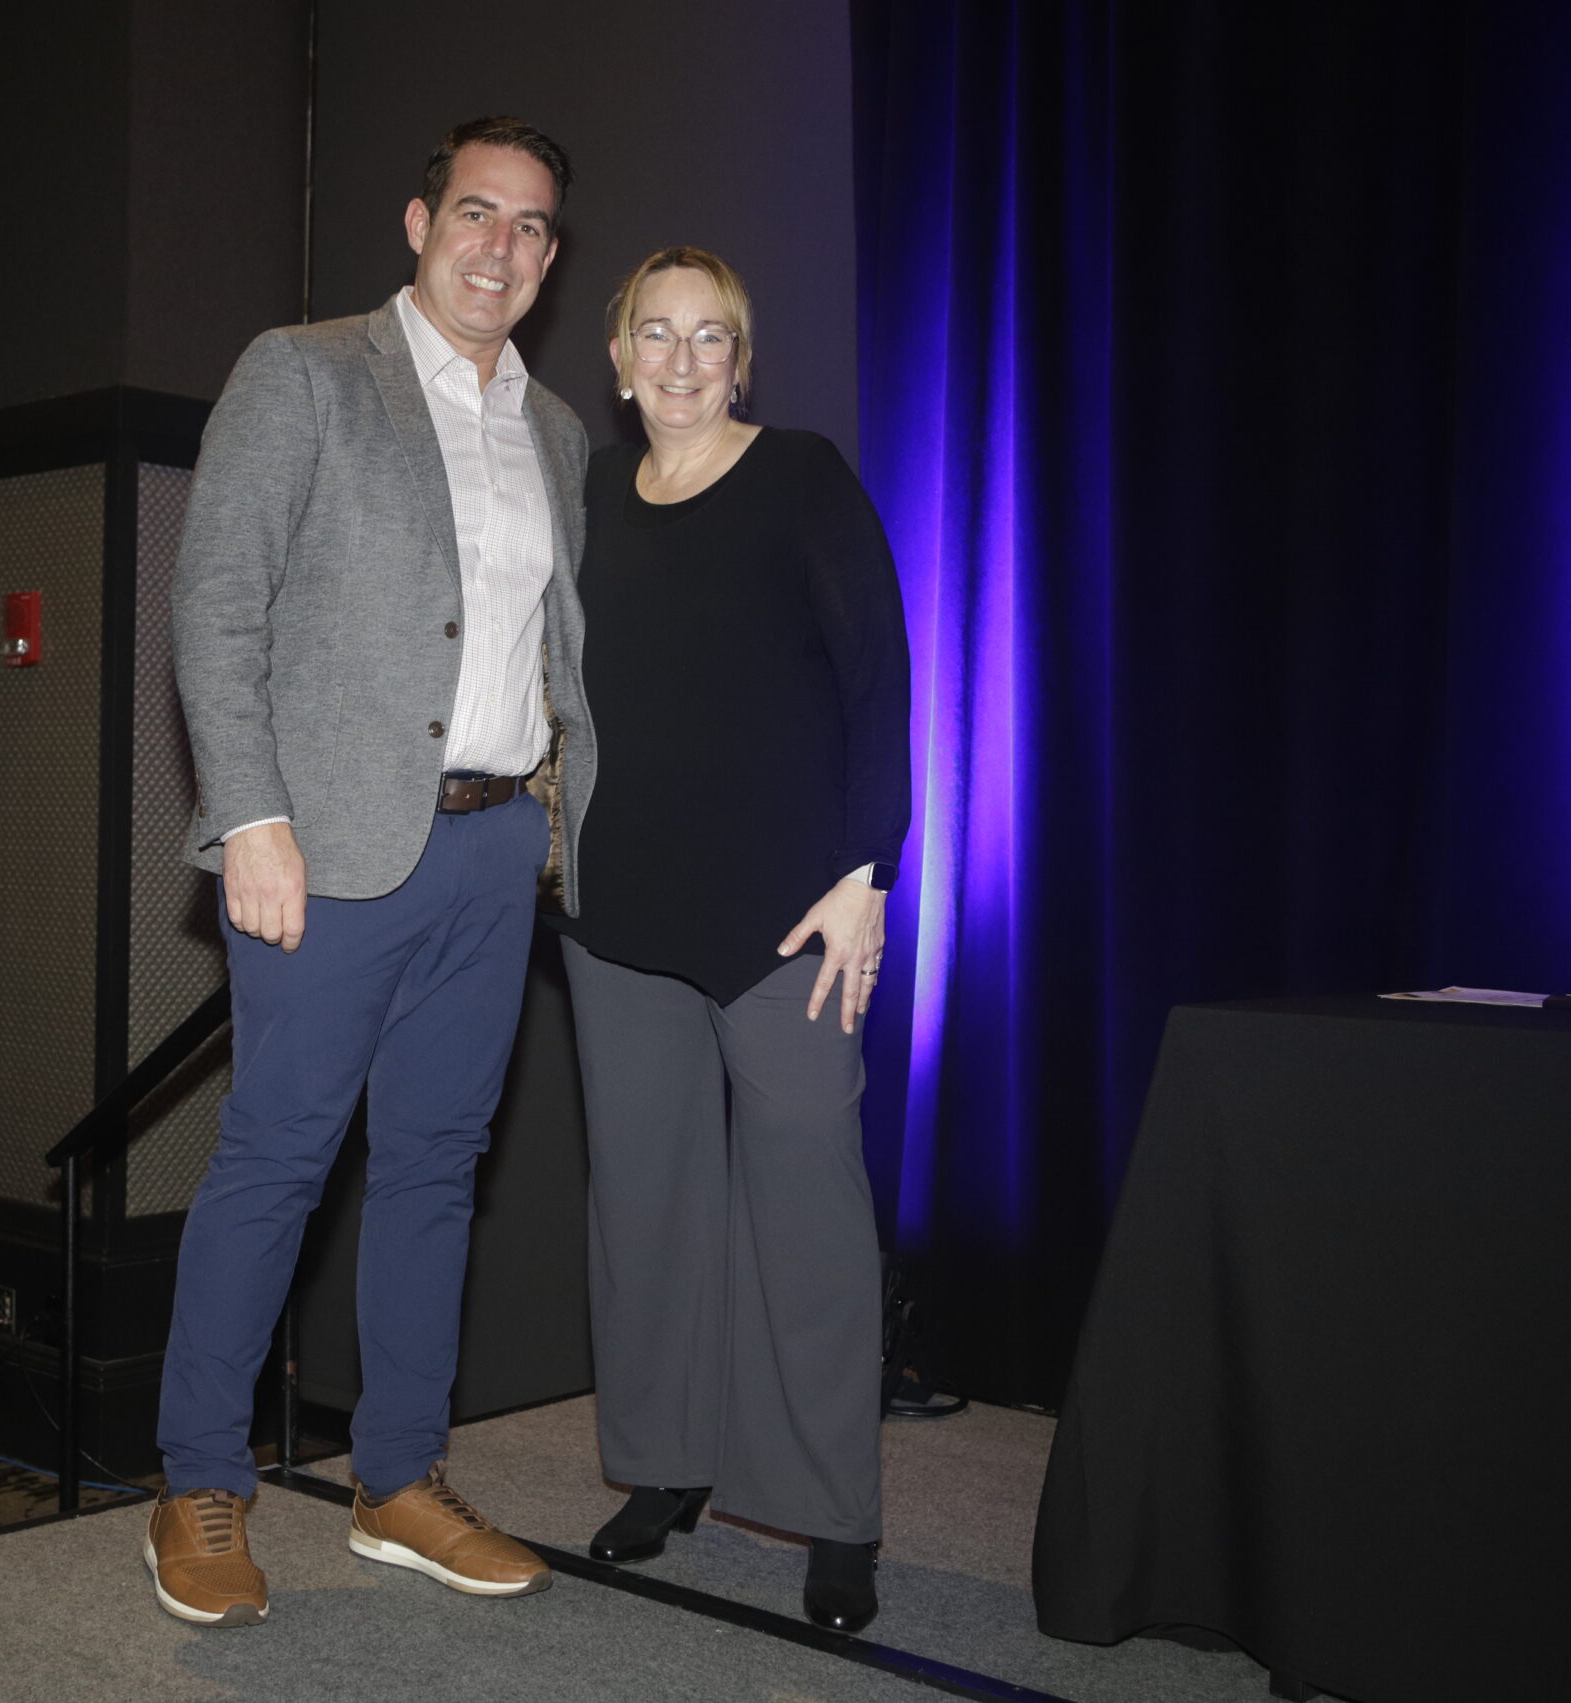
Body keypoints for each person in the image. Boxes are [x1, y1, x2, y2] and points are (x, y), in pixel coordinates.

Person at [152, 115, 595, 1629]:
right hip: (328, 846)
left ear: (549, 255)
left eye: (532, 227)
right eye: (477, 212)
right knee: (276, 1160)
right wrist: (248, 813)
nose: (501, 247)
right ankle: (198, 1477)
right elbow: (215, 602)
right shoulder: (305, 368)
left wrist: (549, 825)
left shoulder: (558, 432)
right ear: (419, 222)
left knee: (434, 1171)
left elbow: (551, 655)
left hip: (491, 853)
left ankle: (398, 1474)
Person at [546, 247, 911, 1635]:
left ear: (741, 360)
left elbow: (881, 679)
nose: (685, 360)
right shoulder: (584, 495)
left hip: (792, 917)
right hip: (619, 912)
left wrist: (868, 874)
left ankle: (833, 1514)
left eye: (713, 337)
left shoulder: (803, 475)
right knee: (644, 1213)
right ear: (622, 356)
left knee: (810, 1217)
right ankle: (662, 1471)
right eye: (659, 333)